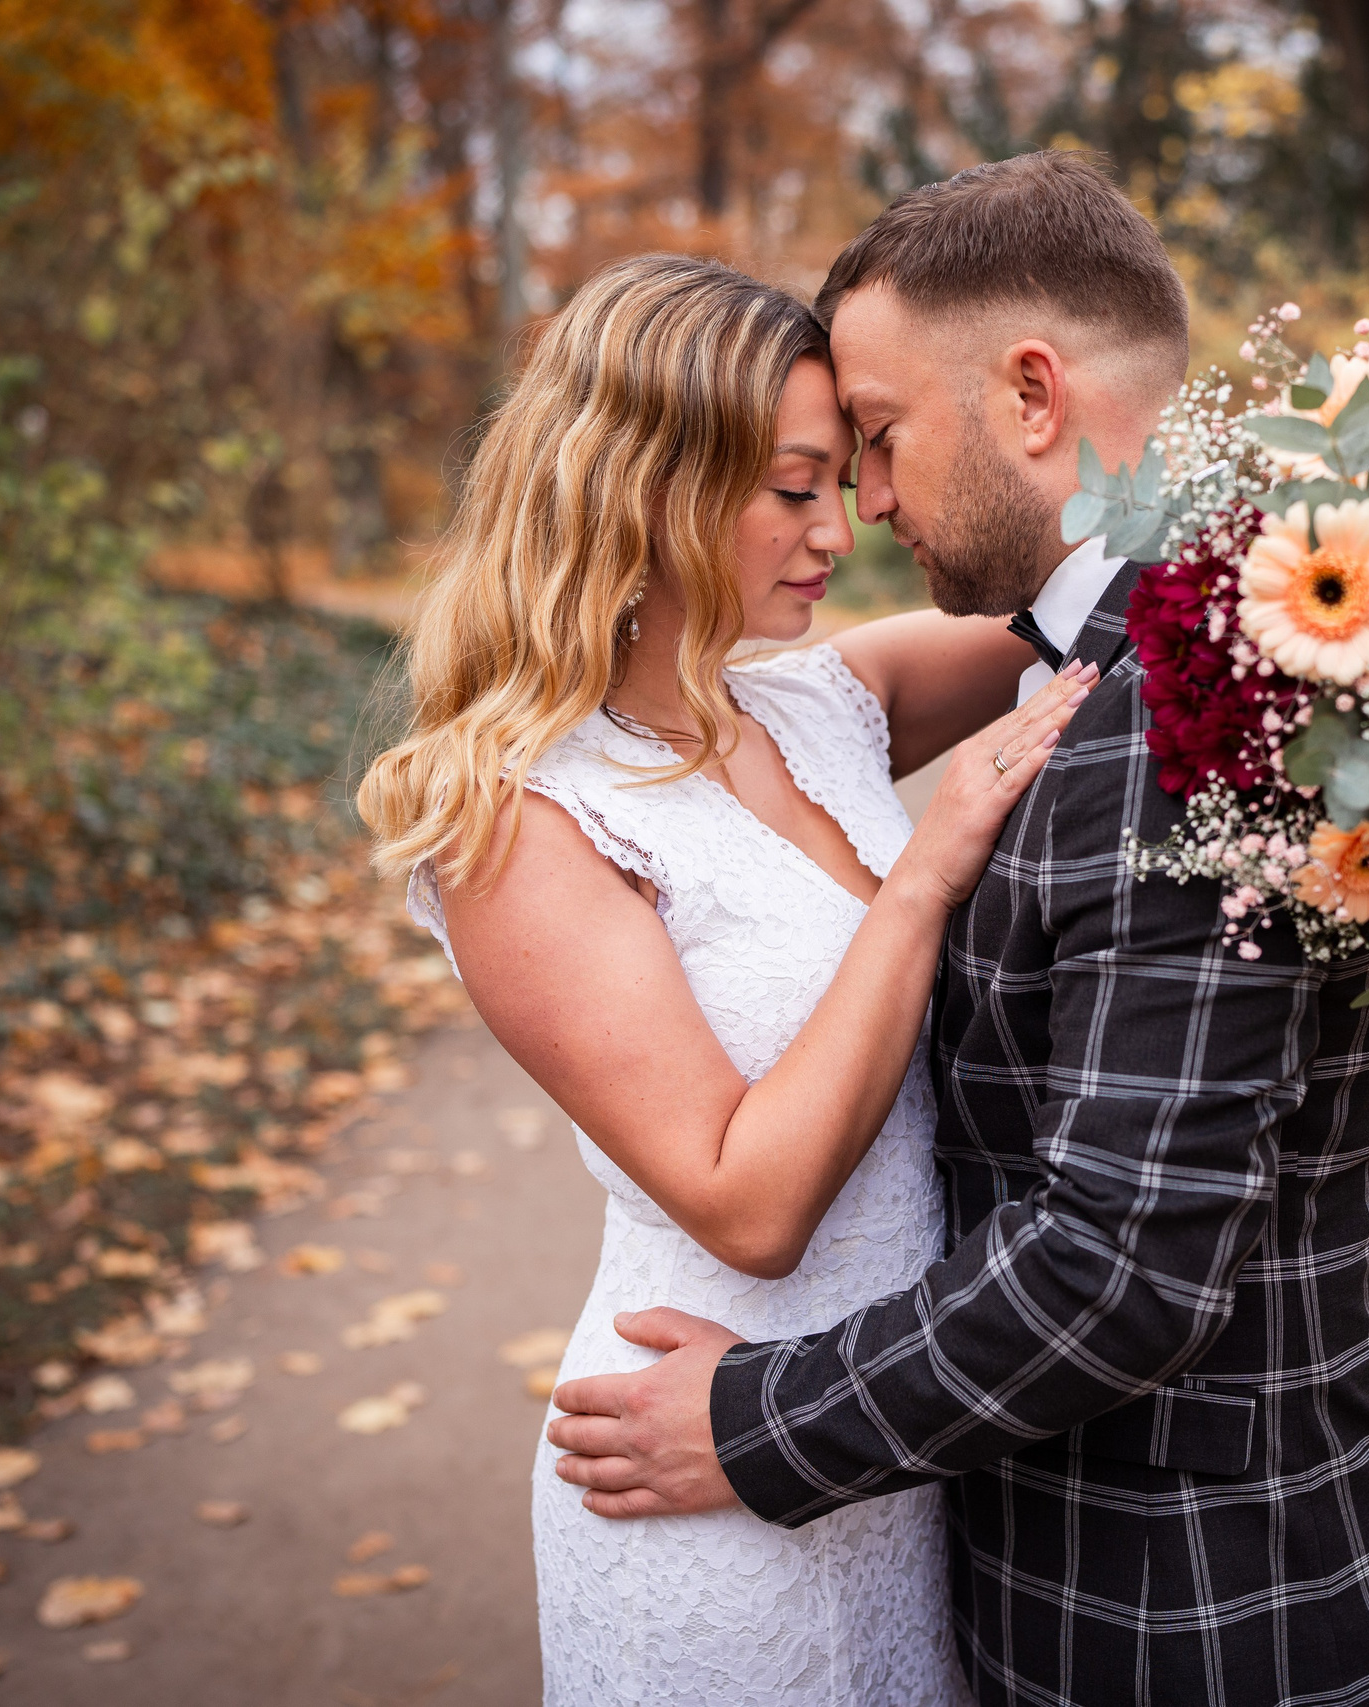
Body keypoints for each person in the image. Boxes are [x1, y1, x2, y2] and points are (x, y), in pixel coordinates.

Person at [547, 151, 1369, 1707]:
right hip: (1115, 1544)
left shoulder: (1183, 709)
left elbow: (1122, 1263)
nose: (872, 508)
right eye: (822, 475)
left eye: (881, 443)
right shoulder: (1191, 652)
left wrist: (756, 1426)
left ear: (1033, 396)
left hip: (1187, 1614)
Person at [357, 250, 1093, 1704]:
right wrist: (927, 877)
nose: (840, 528)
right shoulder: (525, 813)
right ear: (647, 486)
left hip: (891, 1442)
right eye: (793, 487)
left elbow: (1087, 598)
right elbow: (745, 1200)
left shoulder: (819, 698)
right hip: (699, 1461)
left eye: (845, 475)